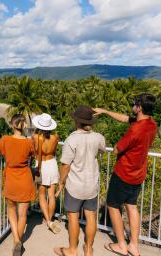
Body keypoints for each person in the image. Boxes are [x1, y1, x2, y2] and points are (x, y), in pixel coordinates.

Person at [93, 93, 158, 256]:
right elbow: (125, 118)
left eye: (134, 103)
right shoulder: (151, 125)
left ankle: (121, 244)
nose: (132, 105)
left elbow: (116, 150)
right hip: (138, 174)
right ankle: (133, 246)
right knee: (131, 206)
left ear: (140, 107)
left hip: (124, 173)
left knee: (113, 206)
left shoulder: (135, 130)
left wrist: (115, 145)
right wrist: (106, 112)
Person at [54, 105, 106, 256]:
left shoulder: (71, 139)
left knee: (73, 217)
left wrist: (61, 182)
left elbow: (65, 166)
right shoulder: (98, 137)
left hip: (75, 185)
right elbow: (103, 149)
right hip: (92, 185)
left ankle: (72, 250)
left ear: (76, 121)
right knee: (91, 217)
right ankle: (88, 249)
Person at [0, 114, 36, 256]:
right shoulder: (29, 142)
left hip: (11, 179)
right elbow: (32, 154)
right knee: (23, 214)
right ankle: (17, 243)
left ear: (12, 125)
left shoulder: (5, 139)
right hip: (25, 178)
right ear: (24, 125)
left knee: (11, 210)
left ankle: (17, 240)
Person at [31, 113, 61, 234]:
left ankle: (48, 220)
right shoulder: (55, 137)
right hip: (52, 163)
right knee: (51, 194)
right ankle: (50, 219)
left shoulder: (35, 136)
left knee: (42, 194)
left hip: (41, 165)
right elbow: (54, 151)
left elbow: (34, 152)